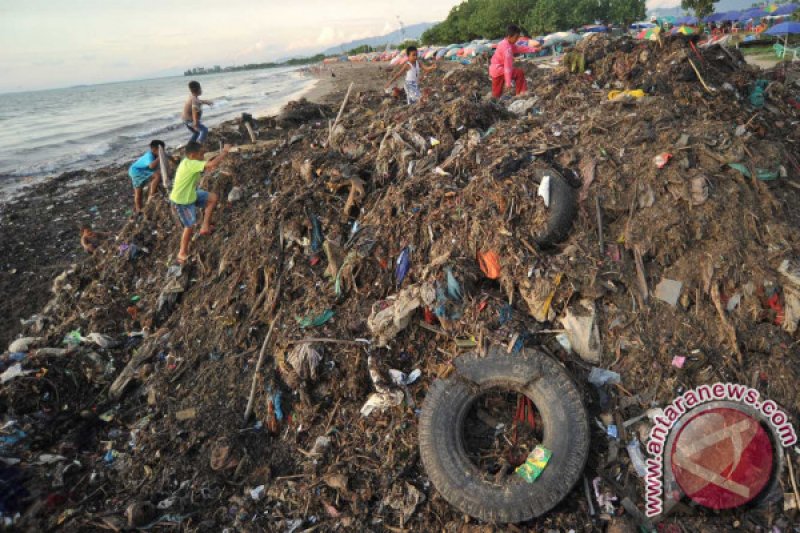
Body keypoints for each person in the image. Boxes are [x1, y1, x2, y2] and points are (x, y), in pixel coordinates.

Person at [169, 141, 231, 264]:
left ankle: (205, 227)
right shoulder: (191, 163)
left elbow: (208, 166)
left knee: (213, 198)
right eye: (201, 154)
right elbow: (212, 163)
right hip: (182, 200)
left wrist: (209, 166)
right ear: (192, 155)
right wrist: (224, 151)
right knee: (189, 226)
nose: (203, 157)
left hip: (191, 194)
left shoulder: (191, 162)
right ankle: (182, 253)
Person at [490, 24, 539, 99]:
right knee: (519, 73)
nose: (517, 40)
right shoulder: (507, 49)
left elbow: (518, 49)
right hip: (499, 70)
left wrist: (534, 49)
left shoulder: (505, 42)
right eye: (516, 37)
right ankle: (520, 94)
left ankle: (494, 102)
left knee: (496, 94)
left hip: (495, 70)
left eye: (518, 37)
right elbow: (508, 66)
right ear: (509, 36)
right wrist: (508, 82)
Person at [127, 139, 165, 216]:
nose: (162, 152)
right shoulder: (150, 156)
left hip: (134, 170)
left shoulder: (153, 154)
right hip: (137, 171)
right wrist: (159, 158)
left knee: (138, 190)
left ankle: (138, 209)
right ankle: (151, 195)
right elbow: (151, 166)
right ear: (155, 150)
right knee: (157, 176)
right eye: (161, 150)